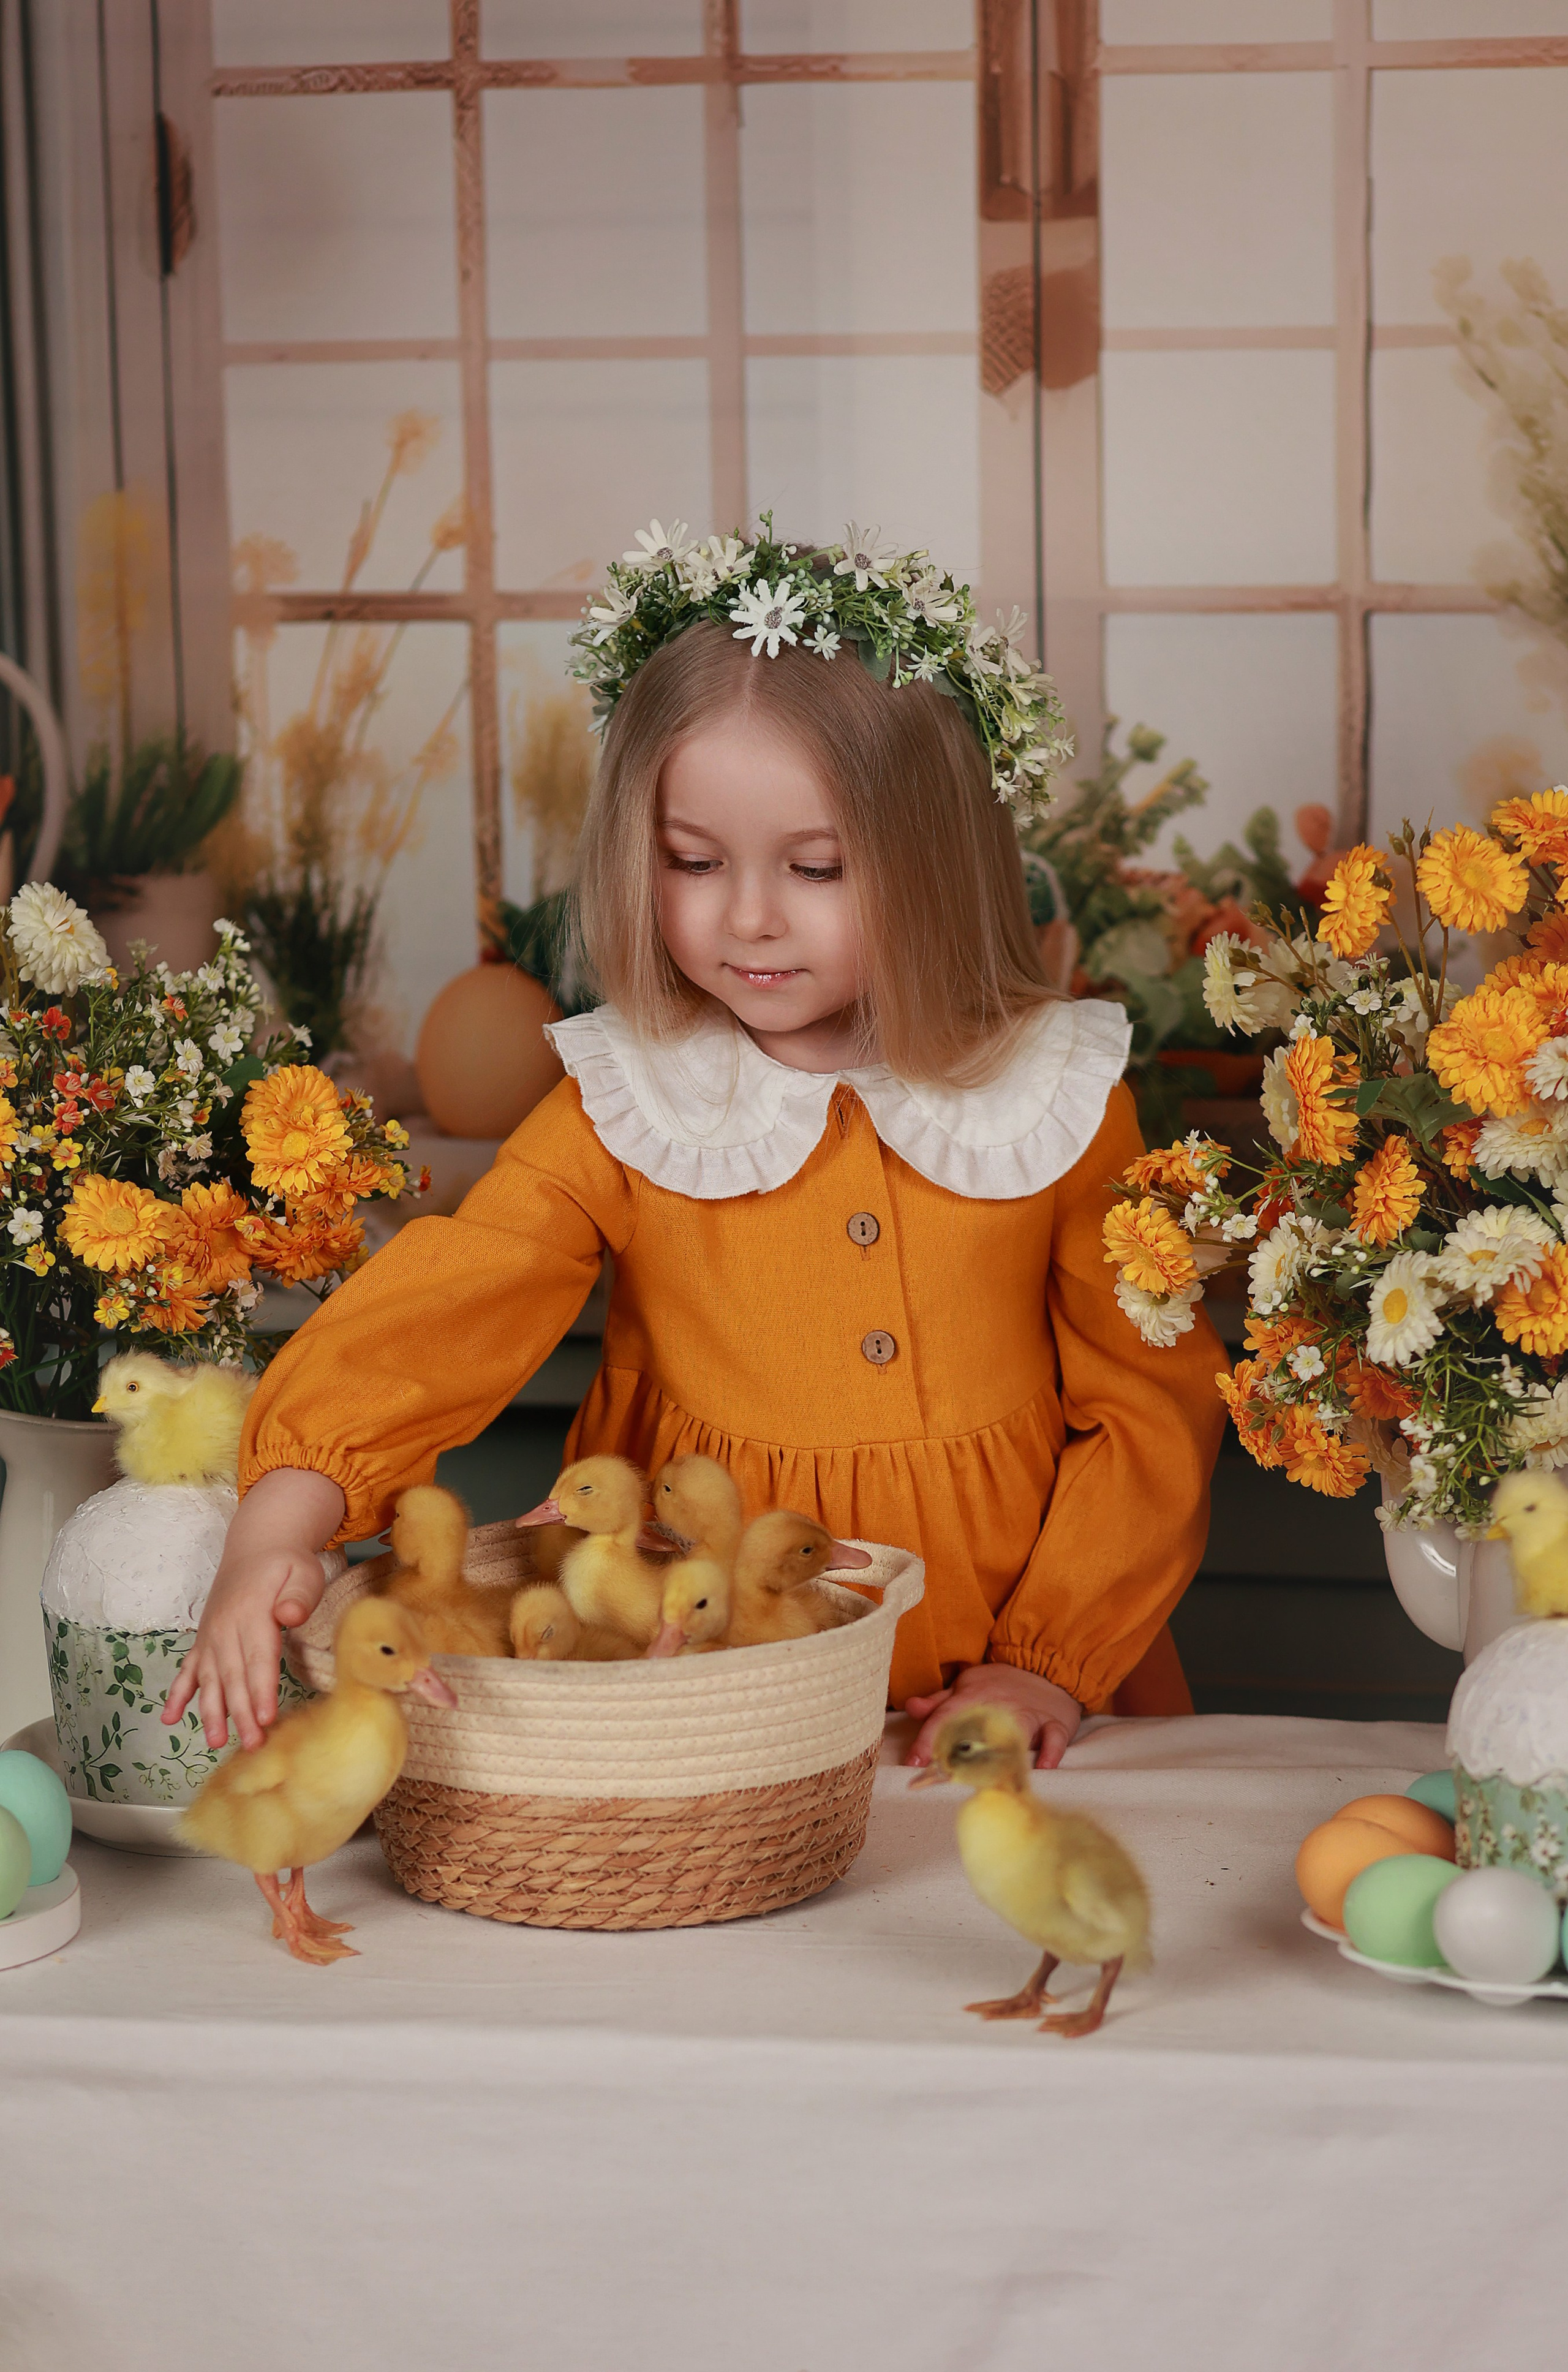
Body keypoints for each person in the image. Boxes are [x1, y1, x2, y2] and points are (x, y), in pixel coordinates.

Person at [165, 519, 1226, 1771]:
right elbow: (449, 1301)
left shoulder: (1054, 1095)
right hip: (702, 1685)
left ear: (934, 859)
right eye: (690, 861)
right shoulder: (633, 1102)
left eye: (818, 865)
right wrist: (278, 1521)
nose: (748, 915)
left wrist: (1044, 1659)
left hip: (1012, 1687)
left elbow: (1147, 1409)